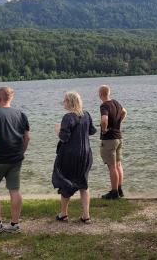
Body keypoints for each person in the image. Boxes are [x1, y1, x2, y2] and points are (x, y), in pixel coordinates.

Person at [0, 86, 30, 233]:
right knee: (15, 190)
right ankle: (14, 224)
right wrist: (21, 152)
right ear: (11, 98)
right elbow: (26, 137)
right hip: (15, 159)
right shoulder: (21, 114)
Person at [52, 91, 96, 224]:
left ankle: (64, 214)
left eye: (64, 101)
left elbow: (64, 138)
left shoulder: (68, 117)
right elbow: (92, 131)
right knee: (83, 183)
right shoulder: (86, 115)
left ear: (70, 102)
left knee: (65, 181)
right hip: (86, 154)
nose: (63, 103)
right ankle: (86, 216)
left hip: (71, 155)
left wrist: (58, 130)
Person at [99, 85, 127, 199]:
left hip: (109, 139)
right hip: (118, 137)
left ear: (100, 94)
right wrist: (118, 122)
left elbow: (104, 120)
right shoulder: (116, 102)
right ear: (109, 93)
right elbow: (124, 111)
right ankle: (120, 189)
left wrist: (104, 129)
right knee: (119, 164)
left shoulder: (104, 105)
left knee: (112, 166)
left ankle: (114, 192)